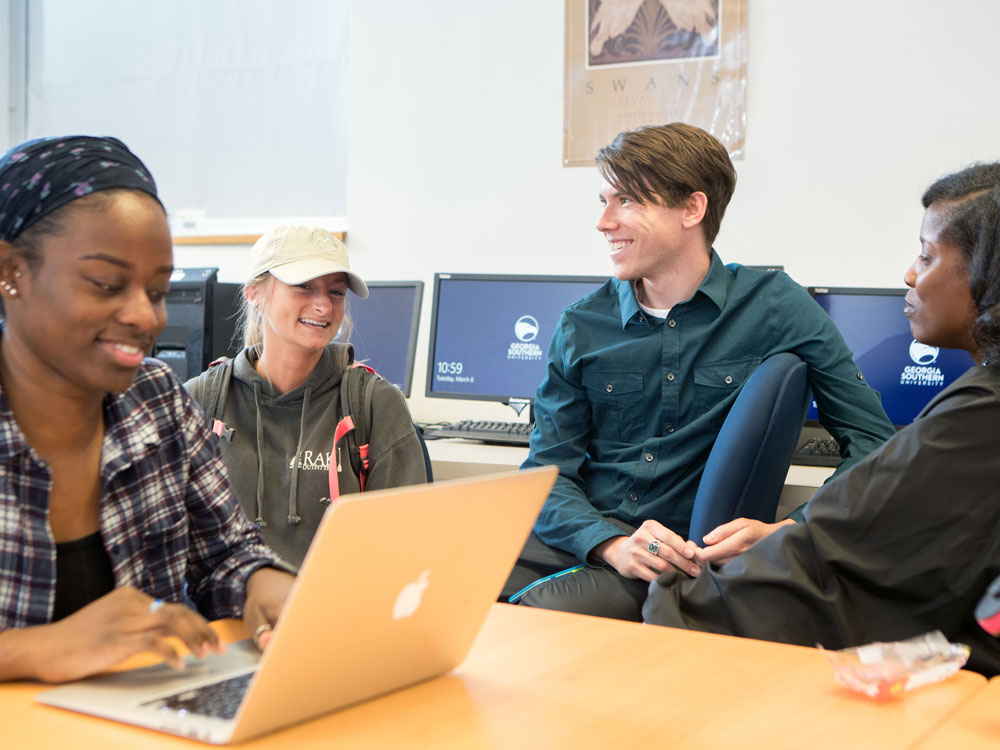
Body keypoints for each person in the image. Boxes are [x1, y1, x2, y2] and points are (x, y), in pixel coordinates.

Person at [511, 123, 895, 619]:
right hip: (593, 538)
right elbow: (547, 473)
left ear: (692, 209)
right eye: (603, 201)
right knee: (435, 576)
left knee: (520, 621)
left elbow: (874, 446)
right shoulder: (582, 324)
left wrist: (793, 530)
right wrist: (608, 542)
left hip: (680, 561)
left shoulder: (774, 304)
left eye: (626, 201)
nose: (604, 222)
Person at [644, 162, 1000, 676]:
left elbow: (850, 555)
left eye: (926, 254)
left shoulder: (978, 418)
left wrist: (679, 598)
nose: (909, 273)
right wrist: (788, 534)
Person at [0, 135, 295, 683]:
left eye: (158, 291)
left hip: (144, 721)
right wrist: (36, 650)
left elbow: (227, 555)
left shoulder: (157, 399)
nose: (144, 317)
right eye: (106, 284)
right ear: (11, 271)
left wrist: (266, 585)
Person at [184, 226, 426, 568]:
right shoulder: (201, 400)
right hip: (227, 612)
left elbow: (402, 550)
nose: (324, 305)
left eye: (336, 291)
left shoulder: (373, 403)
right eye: (304, 287)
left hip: (334, 613)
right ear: (254, 293)